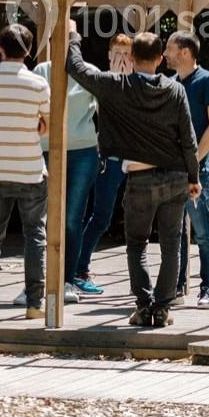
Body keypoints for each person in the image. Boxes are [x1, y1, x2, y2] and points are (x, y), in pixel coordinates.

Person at [64, 21, 201, 328]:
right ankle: (162, 309)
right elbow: (188, 139)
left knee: (137, 244)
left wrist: (73, 36)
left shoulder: (117, 85)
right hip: (176, 177)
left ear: (132, 57)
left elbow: (75, 68)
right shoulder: (175, 90)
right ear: (159, 59)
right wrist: (194, 176)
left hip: (140, 179)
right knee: (171, 244)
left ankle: (143, 306)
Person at [0, 24, 51, 320]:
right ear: (29, 51)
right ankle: (34, 304)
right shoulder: (38, 85)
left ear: (2, 49)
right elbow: (46, 125)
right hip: (30, 169)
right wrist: (35, 125)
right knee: (35, 235)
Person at [24, 53, 99, 303]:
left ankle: (66, 280)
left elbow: (106, 110)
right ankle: (35, 284)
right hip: (45, 149)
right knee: (40, 219)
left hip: (83, 152)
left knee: (71, 219)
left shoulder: (89, 70)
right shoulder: (41, 71)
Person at [164, 31, 209, 309]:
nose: (165, 54)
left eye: (169, 49)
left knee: (201, 229)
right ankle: (175, 287)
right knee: (174, 229)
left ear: (185, 52)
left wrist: (195, 161)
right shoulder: (170, 83)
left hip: (198, 170)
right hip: (171, 168)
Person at [73, 34, 134, 292]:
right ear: (109, 55)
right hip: (109, 158)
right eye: (116, 54)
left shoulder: (139, 81)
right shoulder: (100, 81)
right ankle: (80, 267)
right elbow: (102, 111)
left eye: (125, 54)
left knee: (138, 217)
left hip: (136, 158)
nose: (121, 59)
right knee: (101, 216)